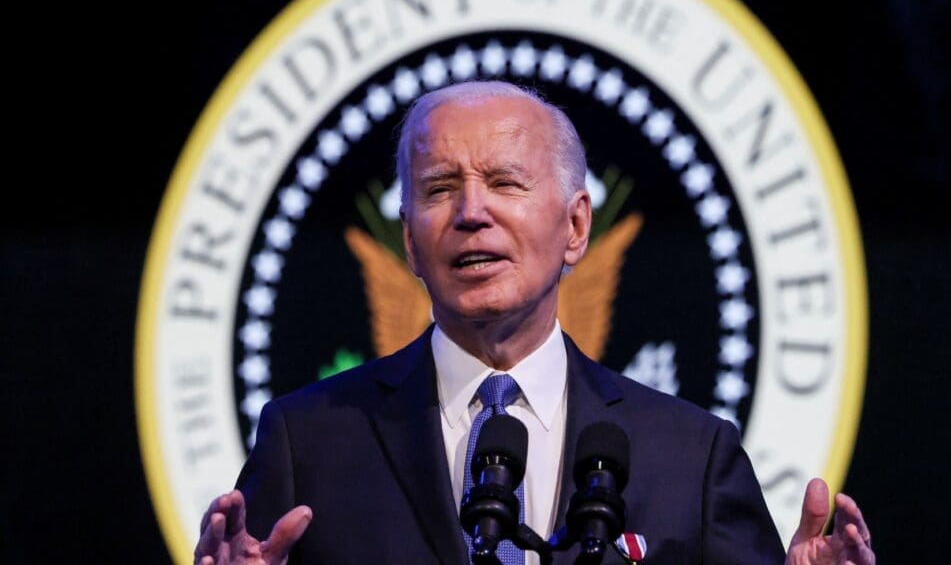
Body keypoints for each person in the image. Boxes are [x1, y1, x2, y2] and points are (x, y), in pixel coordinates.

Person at [195, 81, 875, 565]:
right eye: (438, 189)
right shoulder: (307, 440)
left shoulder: (691, 457)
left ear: (576, 226)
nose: (470, 212)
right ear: (408, 242)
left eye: (504, 182)